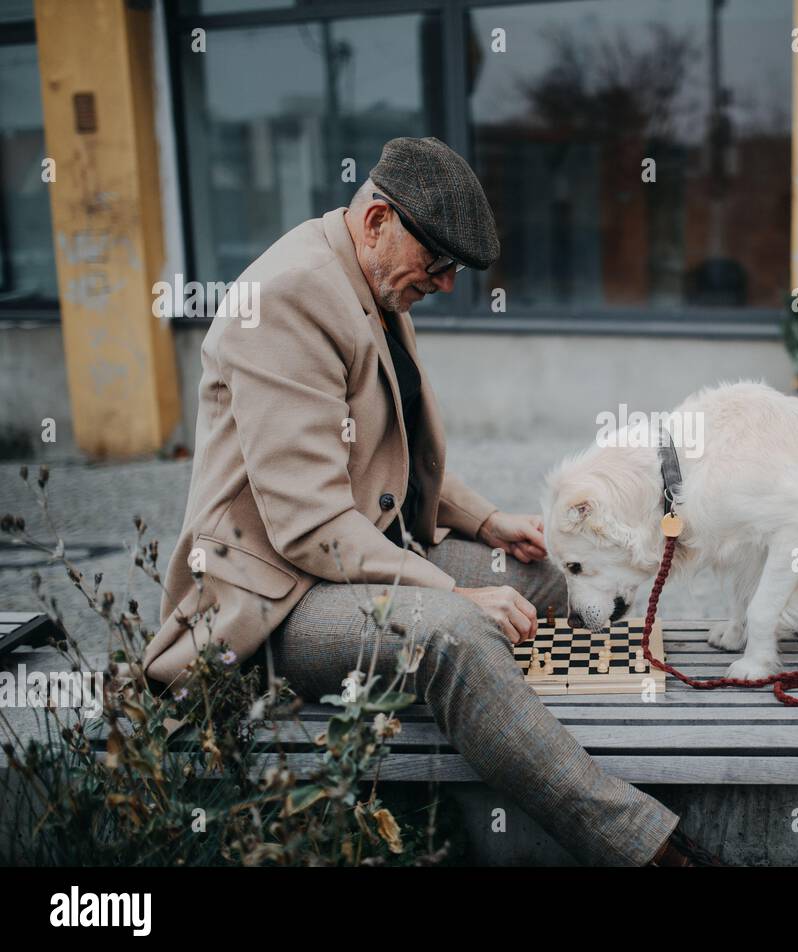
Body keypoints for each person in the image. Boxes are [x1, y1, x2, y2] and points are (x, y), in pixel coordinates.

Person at [149, 136, 717, 866]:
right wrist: (450, 590)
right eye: (440, 264)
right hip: (275, 600)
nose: (447, 283)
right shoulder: (289, 298)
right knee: (452, 633)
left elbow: (388, 459)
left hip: (356, 561)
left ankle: (524, 732)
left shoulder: (374, 279)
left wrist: (489, 522)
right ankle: (638, 841)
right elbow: (312, 523)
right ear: (378, 219)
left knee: (547, 577)